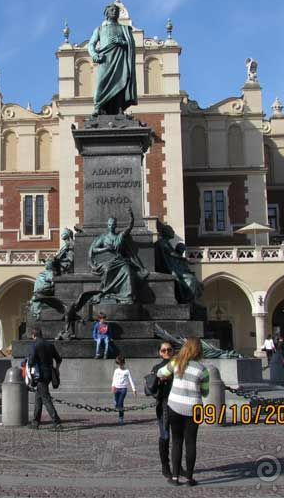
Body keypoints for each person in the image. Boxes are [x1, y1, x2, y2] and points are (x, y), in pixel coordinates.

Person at [157, 336, 209, 486]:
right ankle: (189, 478)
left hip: (175, 407)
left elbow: (161, 373)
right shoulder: (202, 370)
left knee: (177, 442)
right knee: (191, 442)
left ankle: (174, 478)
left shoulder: (176, 363)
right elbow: (205, 392)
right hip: (194, 409)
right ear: (199, 351)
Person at [88, 207, 149, 303]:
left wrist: (132, 217)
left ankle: (127, 297)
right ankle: (106, 292)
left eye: (113, 224)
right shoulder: (103, 238)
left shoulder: (120, 236)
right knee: (107, 270)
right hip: (108, 261)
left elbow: (129, 228)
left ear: (115, 225)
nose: (111, 226)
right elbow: (94, 249)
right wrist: (105, 248)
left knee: (128, 272)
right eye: (109, 224)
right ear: (107, 225)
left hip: (120, 261)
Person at [87, 2, 137, 115]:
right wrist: (94, 55)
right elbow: (90, 45)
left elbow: (130, 44)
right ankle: (98, 106)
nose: (114, 11)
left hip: (120, 60)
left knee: (120, 82)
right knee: (101, 83)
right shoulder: (99, 29)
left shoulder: (124, 29)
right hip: (105, 59)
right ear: (106, 13)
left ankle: (119, 109)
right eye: (112, 10)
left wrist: (121, 42)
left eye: (116, 10)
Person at [27, 327, 62, 430]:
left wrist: (28, 366)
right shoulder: (50, 344)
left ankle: (57, 422)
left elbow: (31, 361)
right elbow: (59, 359)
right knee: (39, 397)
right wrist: (56, 370)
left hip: (40, 374)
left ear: (33, 336)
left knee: (45, 398)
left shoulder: (35, 345)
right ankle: (35, 422)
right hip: (49, 373)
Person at [151, 342, 174, 478]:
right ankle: (165, 465)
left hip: (179, 404)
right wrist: (160, 381)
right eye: (164, 350)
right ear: (160, 352)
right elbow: (152, 389)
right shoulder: (156, 368)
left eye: (169, 350)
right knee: (165, 435)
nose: (166, 352)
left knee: (178, 437)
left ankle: (177, 465)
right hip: (164, 404)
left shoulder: (179, 366)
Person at [111, 355, 137, 424]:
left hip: (123, 389)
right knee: (117, 403)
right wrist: (113, 386)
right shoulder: (116, 371)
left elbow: (131, 380)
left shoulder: (127, 371)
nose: (120, 365)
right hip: (116, 388)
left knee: (120, 403)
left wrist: (134, 389)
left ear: (123, 363)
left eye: (121, 364)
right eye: (118, 364)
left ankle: (121, 418)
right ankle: (115, 402)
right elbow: (114, 379)